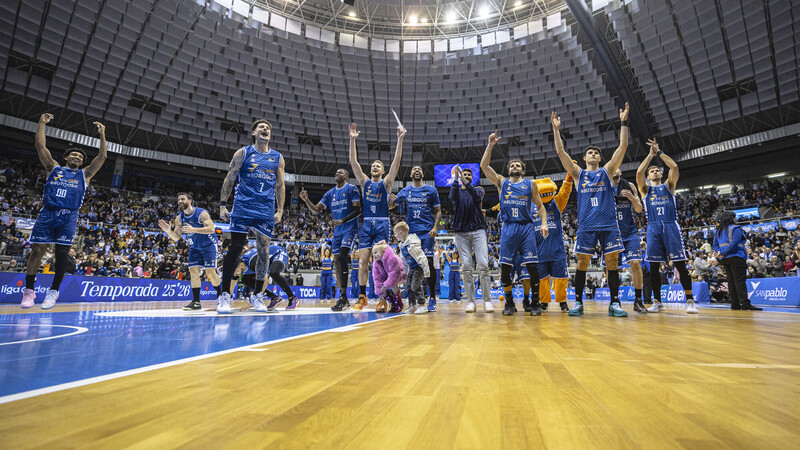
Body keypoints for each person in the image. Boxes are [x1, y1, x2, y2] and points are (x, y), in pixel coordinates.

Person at [551, 104, 630, 318]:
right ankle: (578, 302)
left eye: (596, 153)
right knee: (583, 263)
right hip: (587, 225)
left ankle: (615, 303)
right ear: (585, 158)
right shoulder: (578, 174)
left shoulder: (607, 171)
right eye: (590, 153)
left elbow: (622, 147)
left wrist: (623, 122)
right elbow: (560, 152)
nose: (593, 154)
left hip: (608, 224)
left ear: (599, 158)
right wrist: (556, 130)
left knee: (612, 263)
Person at [22, 113, 107, 309]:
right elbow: (40, 146)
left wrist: (102, 135)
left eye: (80, 156)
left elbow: (102, 157)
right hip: (48, 212)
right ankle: (29, 292)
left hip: (69, 215)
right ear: (66, 157)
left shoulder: (85, 174)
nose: (77, 157)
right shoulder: (53, 167)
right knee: (37, 251)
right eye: (74, 155)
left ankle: (53, 292)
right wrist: (41, 123)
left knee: (62, 254)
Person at [217, 119, 285, 314]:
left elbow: (280, 185)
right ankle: (224, 295)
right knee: (236, 248)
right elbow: (230, 177)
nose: (266, 129)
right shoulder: (243, 153)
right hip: (243, 207)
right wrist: (222, 204)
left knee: (263, 252)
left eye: (268, 128)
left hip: (264, 210)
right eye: (261, 127)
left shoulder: (277, 158)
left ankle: (257, 295)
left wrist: (280, 210)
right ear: (254, 132)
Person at [480, 129, 548, 316]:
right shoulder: (502, 182)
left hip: (526, 227)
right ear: (508, 170)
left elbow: (541, 207)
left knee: (533, 267)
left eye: (518, 165)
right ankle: (509, 303)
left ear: (523, 170)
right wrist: (490, 145)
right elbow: (484, 166)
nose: (515, 167)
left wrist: (543, 223)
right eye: (512, 165)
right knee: (505, 269)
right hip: (508, 228)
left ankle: (535, 302)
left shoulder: (530, 185)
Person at [636, 138, 698, 314]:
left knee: (680, 264)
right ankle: (657, 301)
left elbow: (675, 168)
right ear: (649, 177)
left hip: (671, 226)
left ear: (661, 174)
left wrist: (659, 152)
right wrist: (650, 155)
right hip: (653, 228)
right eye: (652, 171)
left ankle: (690, 301)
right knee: (654, 267)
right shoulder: (646, 190)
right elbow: (639, 172)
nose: (655, 172)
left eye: (657, 170)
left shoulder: (669, 186)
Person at [348, 122, 405, 311]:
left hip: (381, 223)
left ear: (382, 171)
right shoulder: (364, 183)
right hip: (366, 225)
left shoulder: (386, 183)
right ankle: (362, 297)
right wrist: (352, 140)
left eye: (378, 165)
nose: (374, 166)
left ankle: (383, 298)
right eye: (372, 165)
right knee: (362, 262)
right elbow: (354, 164)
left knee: (380, 264)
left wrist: (400, 139)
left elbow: (396, 163)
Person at [299, 168, 361, 311]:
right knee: (337, 262)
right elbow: (315, 210)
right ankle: (342, 297)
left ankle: (345, 297)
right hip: (338, 232)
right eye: (336, 172)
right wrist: (306, 200)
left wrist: (341, 220)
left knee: (343, 258)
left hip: (350, 229)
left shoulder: (352, 189)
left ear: (346, 176)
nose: (337, 174)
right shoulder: (329, 194)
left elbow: (357, 210)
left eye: (340, 172)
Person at [158, 192, 222, 311]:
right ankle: (196, 302)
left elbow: (211, 229)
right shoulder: (179, 218)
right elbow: (177, 237)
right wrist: (168, 231)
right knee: (193, 271)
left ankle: (221, 298)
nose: (180, 201)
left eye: (183, 199)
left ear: (190, 201)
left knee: (210, 272)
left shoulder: (201, 213)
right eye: (178, 200)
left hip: (208, 245)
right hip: (194, 247)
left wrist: (194, 229)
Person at [391, 165, 442, 312]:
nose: (417, 170)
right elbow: (391, 206)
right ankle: (413, 302)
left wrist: (435, 227)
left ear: (423, 174)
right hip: (410, 234)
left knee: (428, 263)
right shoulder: (405, 191)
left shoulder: (431, 190)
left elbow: (438, 211)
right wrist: (390, 200)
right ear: (410, 174)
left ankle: (432, 297)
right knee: (412, 267)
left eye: (420, 169)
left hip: (426, 232)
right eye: (414, 169)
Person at [448, 166, 493, 312]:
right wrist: (456, 179)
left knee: (483, 264)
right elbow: (452, 198)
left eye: (468, 174)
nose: (465, 176)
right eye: (464, 174)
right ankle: (471, 301)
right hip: (461, 233)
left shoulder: (478, 190)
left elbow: (477, 197)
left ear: (472, 178)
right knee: (466, 265)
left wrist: (465, 182)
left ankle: (487, 301)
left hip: (478, 231)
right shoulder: (457, 192)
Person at [532, 177, 573, 313]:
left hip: (557, 250)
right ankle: (544, 302)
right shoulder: (531, 207)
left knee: (561, 278)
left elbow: (565, 192)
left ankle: (562, 301)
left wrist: (569, 177)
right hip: (539, 251)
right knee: (542, 280)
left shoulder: (556, 203)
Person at [609, 168, 647, 313]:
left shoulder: (629, 186)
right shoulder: (604, 186)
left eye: (618, 167)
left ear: (621, 172)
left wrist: (632, 198)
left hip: (630, 232)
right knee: (612, 269)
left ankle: (638, 300)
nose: (614, 169)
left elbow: (639, 209)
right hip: (612, 232)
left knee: (636, 263)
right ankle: (614, 300)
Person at [712, 211, 762, 310]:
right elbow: (734, 243)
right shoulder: (735, 228)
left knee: (731, 281)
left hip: (725, 259)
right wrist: (724, 252)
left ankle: (734, 304)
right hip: (737, 257)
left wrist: (720, 253)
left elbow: (715, 245)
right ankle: (745, 303)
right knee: (740, 281)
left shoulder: (718, 230)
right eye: (735, 217)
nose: (736, 219)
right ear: (731, 217)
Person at [235, 245, 298, 311]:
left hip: (277, 253)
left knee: (274, 273)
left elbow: (265, 280)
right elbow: (232, 282)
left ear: (241, 265)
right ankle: (274, 297)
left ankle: (292, 297)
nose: (235, 274)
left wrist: (254, 300)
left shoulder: (253, 263)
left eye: (235, 271)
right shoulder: (239, 264)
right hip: (265, 260)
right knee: (245, 279)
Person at [394, 221, 431, 315]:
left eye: (395, 233)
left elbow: (422, 258)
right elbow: (404, 260)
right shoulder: (402, 245)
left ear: (401, 232)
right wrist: (405, 272)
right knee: (408, 287)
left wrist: (426, 271)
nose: (394, 235)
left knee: (415, 286)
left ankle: (422, 305)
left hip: (419, 267)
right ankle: (412, 305)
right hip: (412, 268)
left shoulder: (412, 244)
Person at [371, 241, 405, 313]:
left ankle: (399, 304)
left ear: (383, 252)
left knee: (392, 285)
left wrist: (386, 285)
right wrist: (380, 290)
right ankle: (393, 305)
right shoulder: (376, 263)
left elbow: (394, 274)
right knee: (383, 289)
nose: (374, 255)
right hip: (388, 276)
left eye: (376, 252)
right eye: (373, 253)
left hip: (400, 273)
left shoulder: (392, 258)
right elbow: (376, 277)